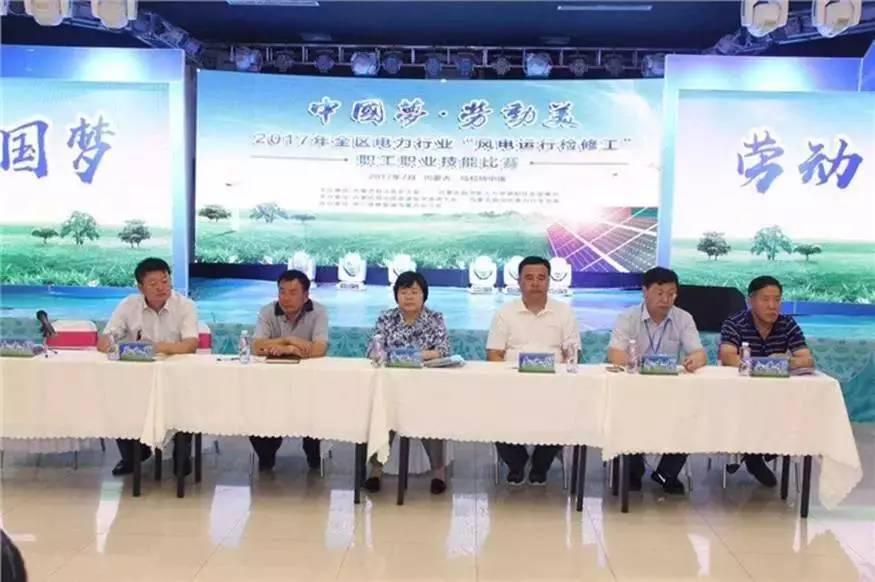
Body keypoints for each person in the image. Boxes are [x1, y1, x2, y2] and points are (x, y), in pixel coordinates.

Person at [607, 266, 707, 495]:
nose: (665, 299)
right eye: (659, 293)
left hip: (671, 391)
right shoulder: (628, 317)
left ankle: (666, 473)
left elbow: (699, 353)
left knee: (691, 414)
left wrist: (694, 360)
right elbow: (614, 353)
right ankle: (632, 471)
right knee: (625, 414)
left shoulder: (683, 318)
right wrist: (643, 364)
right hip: (634, 390)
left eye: (671, 294)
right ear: (645, 292)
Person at [98, 257, 198, 477]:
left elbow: (190, 345)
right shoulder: (128, 305)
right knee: (116, 398)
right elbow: (104, 342)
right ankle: (132, 456)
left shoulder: (185, 306)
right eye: (153, 284)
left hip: (175, 377)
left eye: (165, 281)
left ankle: (182, 453)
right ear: (140, 287)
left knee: (185, 398)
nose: (161, 287)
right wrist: (124, 347)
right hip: (136, 378)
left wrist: (153, 348)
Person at [486, 256, 581, 486]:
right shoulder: (505, 313)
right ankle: (516, 462)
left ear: (549, 281)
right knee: (491, 410)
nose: (535, 283)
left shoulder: (564, 312)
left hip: (554, 386)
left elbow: (571, 353)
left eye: (541, 278)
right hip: (512, 385)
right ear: (519, 281)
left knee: (566, 411)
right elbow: (494, 354)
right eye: (529, 278)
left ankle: (541, 464)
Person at [718, 275, 814, 487]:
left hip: (778, 398)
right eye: (765, 299)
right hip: (742, 396)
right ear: (750, 301)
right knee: (753, 408)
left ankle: (755, 453)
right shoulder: (735, 323)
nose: (772, 306)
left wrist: (786, 362)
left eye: (777, 300)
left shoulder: (787, 324)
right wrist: (763, 365)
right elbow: (727, 356)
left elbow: (807, 359)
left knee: (798, 413)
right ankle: (754, 455)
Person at [363, 271, 451, 495]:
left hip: (425, 385)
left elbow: (443, 350)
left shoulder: (435, 318)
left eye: (414, 292)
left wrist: (410, 356)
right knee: (383, 416)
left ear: (424, 295)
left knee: (431, 418)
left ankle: (438, 473)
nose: (409, 297)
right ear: (396, 295)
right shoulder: (386, 318)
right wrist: (413, 354)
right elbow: (373, 350)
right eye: (404, 292)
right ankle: (375, 470)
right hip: (391, 384)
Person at [250, 269, 329, 471]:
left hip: (308, 382)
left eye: (293, 292)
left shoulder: (319, 312)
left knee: (315, 411)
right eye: (282, 291)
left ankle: (313, 454)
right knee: (254, 409)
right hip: (272, 381)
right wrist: (289, 340)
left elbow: (320, 349)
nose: (286, 298)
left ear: (306, 295)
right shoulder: (267, 311)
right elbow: (256, 346)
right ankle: (266, 455)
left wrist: (289, 349)